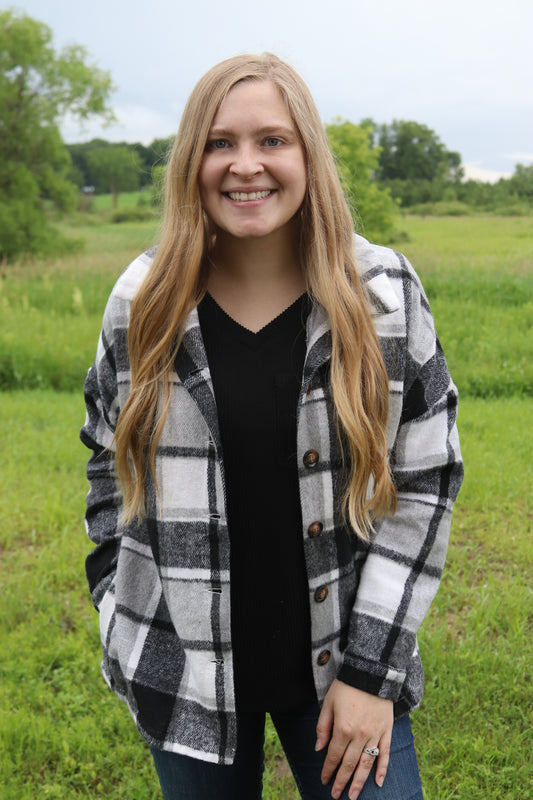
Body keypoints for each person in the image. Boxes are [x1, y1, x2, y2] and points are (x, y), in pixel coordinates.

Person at [81, 53, 463, 800]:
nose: (244, 166)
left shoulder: (383, 295)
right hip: (183, 668)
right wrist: (112, 593)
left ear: (307, 156)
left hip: (341, 665)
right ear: (191, 161)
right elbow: (104, 455)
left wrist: (369, 672)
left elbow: (426, 481)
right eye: (219, 143)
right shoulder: (142, 299)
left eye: (271, 141)